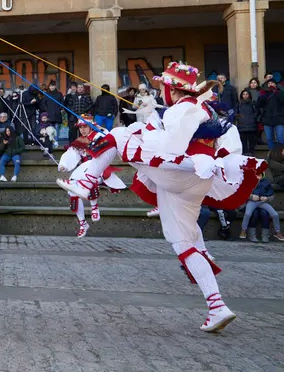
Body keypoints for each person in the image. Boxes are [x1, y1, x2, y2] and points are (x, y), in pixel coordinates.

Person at [110, 61, 267, 332]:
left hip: (181, 175)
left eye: (163, 88)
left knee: (119, 136)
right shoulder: (209, 110)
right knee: (188, 233)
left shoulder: (181, 110)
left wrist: (150, 128)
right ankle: (212, 289)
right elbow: (230, 146)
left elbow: (171, 148)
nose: (161, 93)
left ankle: (88, 176)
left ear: (172, 89)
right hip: (200, 182)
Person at [56, 114, 125, 238]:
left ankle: (94, 207)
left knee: (90, 176)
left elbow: (108, 140)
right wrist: (64, 165)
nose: (82, 129)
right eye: (80, 127)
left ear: (91, 126)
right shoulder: (79, 142)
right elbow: (71, 154)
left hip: (99, 169)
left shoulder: (99, 135)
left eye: (85, 126)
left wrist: (101, 129)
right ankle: (82, 223)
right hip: (83, 169)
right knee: (72, 192)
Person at [239, 173, 282, 242]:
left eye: (260, 175)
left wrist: (266, 198)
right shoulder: (249, 181)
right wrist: (251, 196)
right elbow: (243, 192)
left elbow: (271, 193)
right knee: (248, 214)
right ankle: (243, 230)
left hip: (262, 202)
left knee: (275, 214)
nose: (258, 176)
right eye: (257, 174)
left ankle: (278, 232)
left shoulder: (266, 182)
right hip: (252, 201)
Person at [256, 78, 284, 150]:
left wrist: (276, 92)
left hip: (279, 119)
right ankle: (272, 154)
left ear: (275, 84)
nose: (270, 84)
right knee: (269, 139)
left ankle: (280, 154)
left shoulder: (280, 92)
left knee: (280, 138)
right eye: (269, 83)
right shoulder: (264, 94)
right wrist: (263, 94)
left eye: (272, 83)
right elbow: (258, 105)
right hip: (267, 119)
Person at [237, 89, 259, 156]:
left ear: (249, 95)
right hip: (242, 125)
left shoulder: (253, 103)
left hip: (251, 125)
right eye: (244, 94)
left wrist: (253, 118)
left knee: (251, 140)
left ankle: (251, 153)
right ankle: (245, 153)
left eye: (247, 94)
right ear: (242, 95)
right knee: (243, 141)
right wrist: (240, 118)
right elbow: (236, 113)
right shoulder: (239, 104)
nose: (245, 96)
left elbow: (257, 112)